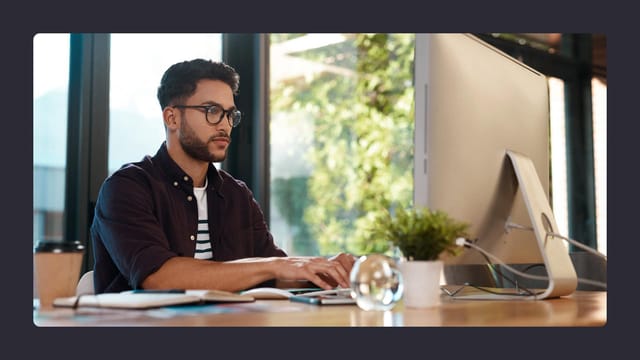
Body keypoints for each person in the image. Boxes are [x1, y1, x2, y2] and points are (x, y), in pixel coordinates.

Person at [90, 59, 356, 294]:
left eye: (230, 114)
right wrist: (275, 266)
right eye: (212, 111)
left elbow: (275, 274)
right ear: (172, 118)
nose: (225, 125)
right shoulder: (127, 188)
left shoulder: (236, 194)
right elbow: (159, 278)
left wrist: (332, 270)